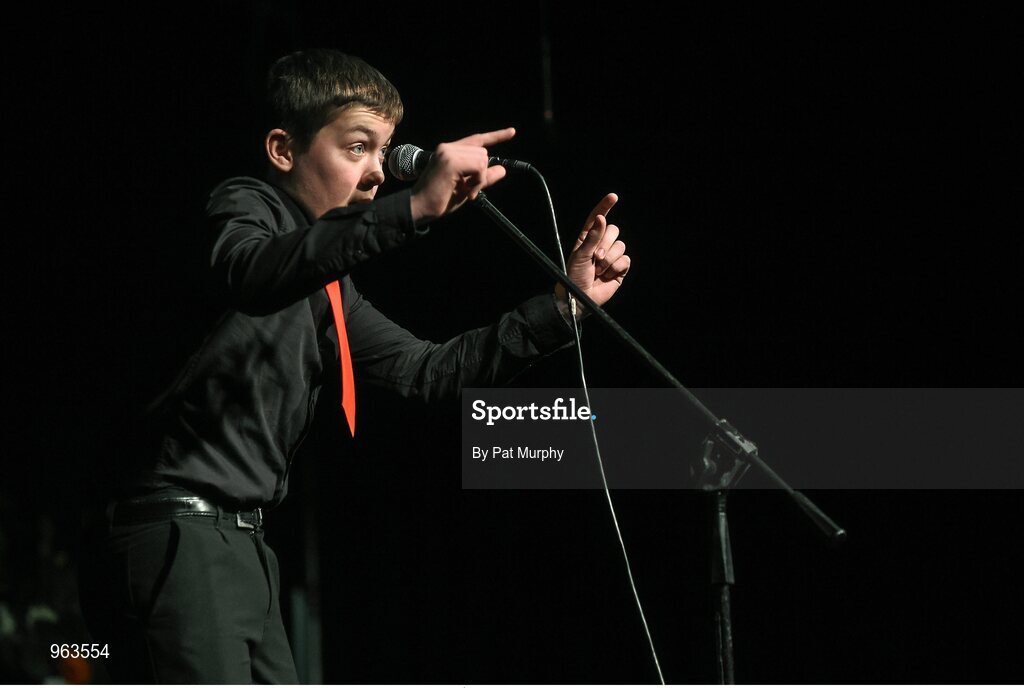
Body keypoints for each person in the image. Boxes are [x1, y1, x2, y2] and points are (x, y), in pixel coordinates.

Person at [77, 48, 631, 683]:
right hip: (178, 534)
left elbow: (427, 372)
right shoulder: (242, 207)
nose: (376, 175)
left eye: (384, 152)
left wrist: (564, 307)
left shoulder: (328, 287)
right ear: (284, 149)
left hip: (243, 547)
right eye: (356, 147)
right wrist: (413, 210)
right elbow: (253, 272)